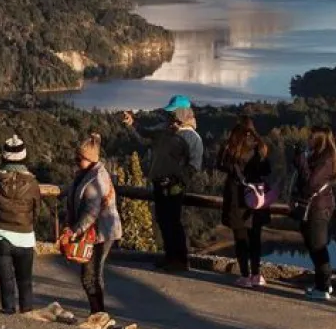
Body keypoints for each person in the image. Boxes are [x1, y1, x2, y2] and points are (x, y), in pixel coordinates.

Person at [121, 95, 204, 272]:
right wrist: (132, 123)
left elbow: (194, 166)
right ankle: (169, 257)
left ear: (181, 114)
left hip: (174, 187)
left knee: (173, 222)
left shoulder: (192, 138)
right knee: (163, 221)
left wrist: (177, 180)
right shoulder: (165, 131)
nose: (170, 117)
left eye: (173, 113)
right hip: (160, 184)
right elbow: (145, 133)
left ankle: (180, 260)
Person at [0, 135, 42, 315]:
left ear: (3, 157)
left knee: (5, 279)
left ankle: (8, 310)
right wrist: (28, 225)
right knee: (25, 280)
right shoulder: (32, 184)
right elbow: (36, 210)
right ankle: (27, 312)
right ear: (24, 157)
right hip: (24, 236)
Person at [64, 133, 122, 316]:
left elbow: (91, 212)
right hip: (96, 231)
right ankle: (97, 312)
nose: (75, 161)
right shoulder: (87, 174)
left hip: (100, 233)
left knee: (90, 276)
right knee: (91, 275)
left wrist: (74, 230)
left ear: (89, 158)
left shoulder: (96, 180)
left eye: (78, 158)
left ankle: (98, 313)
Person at [217, 116, 272, 288]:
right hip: (256, 197)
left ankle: (245, 275)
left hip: (236, 197)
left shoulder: (233, 149)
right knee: (255, 238)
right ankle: (256, 274)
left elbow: (220, 165)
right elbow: (267, 170)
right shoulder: (260, 147)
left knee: (240, 238)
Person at [292, 126, 336, 301]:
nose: (308, 139)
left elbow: (310, 183)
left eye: (312, 137)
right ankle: (323, 284)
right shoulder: (319, 157)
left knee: (318, 246)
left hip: (318, 208)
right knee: (314, 245)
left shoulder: (325, 160)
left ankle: (323, 287)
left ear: (320, 140)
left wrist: (302, 162)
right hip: (315, 207)